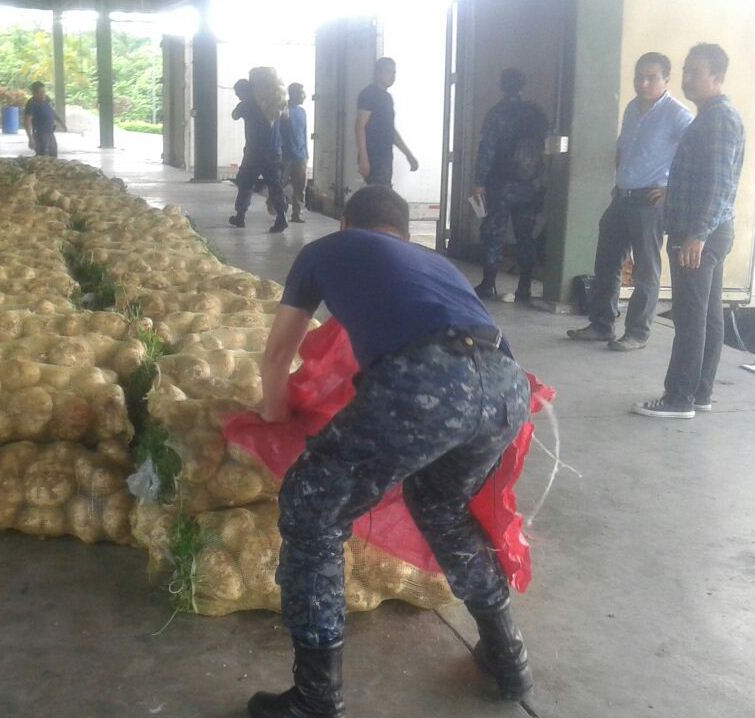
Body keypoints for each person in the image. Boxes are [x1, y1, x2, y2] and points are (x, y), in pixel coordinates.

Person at [248, 185, 532, 717]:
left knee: (313, 513)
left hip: (428, 380)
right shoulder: (433, 262)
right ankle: (507, 655)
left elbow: (277, 358)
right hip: (506, 387)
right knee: (443, 506)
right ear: (402, 232)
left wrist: (274, 419)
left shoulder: (326, 251)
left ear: (344, 224)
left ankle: (315, 698)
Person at [633, 44, 745, 419]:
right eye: (686, 70)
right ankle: (699, 393)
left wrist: (697, 234)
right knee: (707, 316)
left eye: (695, 71)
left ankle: (678, 397)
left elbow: (720, 185)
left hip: (700, 234)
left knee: (690, 317)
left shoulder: (720, 120)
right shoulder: (711, 117)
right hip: (704, 231)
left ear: (717, 76)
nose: (687, 79)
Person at [567, 54, 693, 349]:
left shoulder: (677, 114)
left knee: (645, 270)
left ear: (666, 80)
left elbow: (694, 156)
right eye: (639, 76)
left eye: (651, 77)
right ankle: (601, 325)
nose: (643, 83)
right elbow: (623, 146)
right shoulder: (633, 108)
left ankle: (637, 333)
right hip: (623, 197)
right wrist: (618, 182)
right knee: (607, 263)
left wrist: (671, 190)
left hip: (650, 201)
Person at [472, 69, 550, 301]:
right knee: (526, 236)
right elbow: (546, 144)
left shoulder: (498, 113)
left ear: (502, 86)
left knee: (493, 233)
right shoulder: (536, 113)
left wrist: (479, 182)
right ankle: (524, 287)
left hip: (501, 184)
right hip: (531, 184)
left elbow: (487, 149)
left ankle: (488, 284)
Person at [229, 78, 289, 233]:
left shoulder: (246, 104)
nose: (238, 96)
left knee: (245, 183)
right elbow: (285, 117)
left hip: (254, 153)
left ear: (244, 91)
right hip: (274, 151)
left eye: (238, 93)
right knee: (275, 186)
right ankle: (281, 217)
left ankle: (240, 216)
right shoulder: (271, 104)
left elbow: (234, 115)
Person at [356, 57, 418, 187]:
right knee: (379, 196)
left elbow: (391, 131)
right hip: (374, 156)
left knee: (381, 195)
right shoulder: (369, 94)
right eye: (388, 71)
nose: (392, 76)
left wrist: (408, 154)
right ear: (378, 72)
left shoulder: (387, 98)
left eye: (394, 72)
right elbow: (359, 127)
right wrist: (364, 158)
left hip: (385, 156)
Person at [280, 83, 309, 223]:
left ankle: (297, 214)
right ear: (294, 94)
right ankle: (280, 209)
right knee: (280, 184)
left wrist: (306, 153)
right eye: (302, 93)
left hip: (300, 155)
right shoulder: (284, 110)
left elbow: (303, 133)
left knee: (300, 186)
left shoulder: (302, 112)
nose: (305, 96)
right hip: (286, 155)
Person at [24, 81, 67, 158]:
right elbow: (27, 121)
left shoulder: (47, 99)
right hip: (40, 135)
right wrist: (30, 138)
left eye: (44, 92)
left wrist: (61, 123)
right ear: (35, 93)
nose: (44, 94)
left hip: (50, 132)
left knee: (53, 154)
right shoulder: (31, 104)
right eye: (41, 92)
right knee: (43, 157)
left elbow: (52, 112)